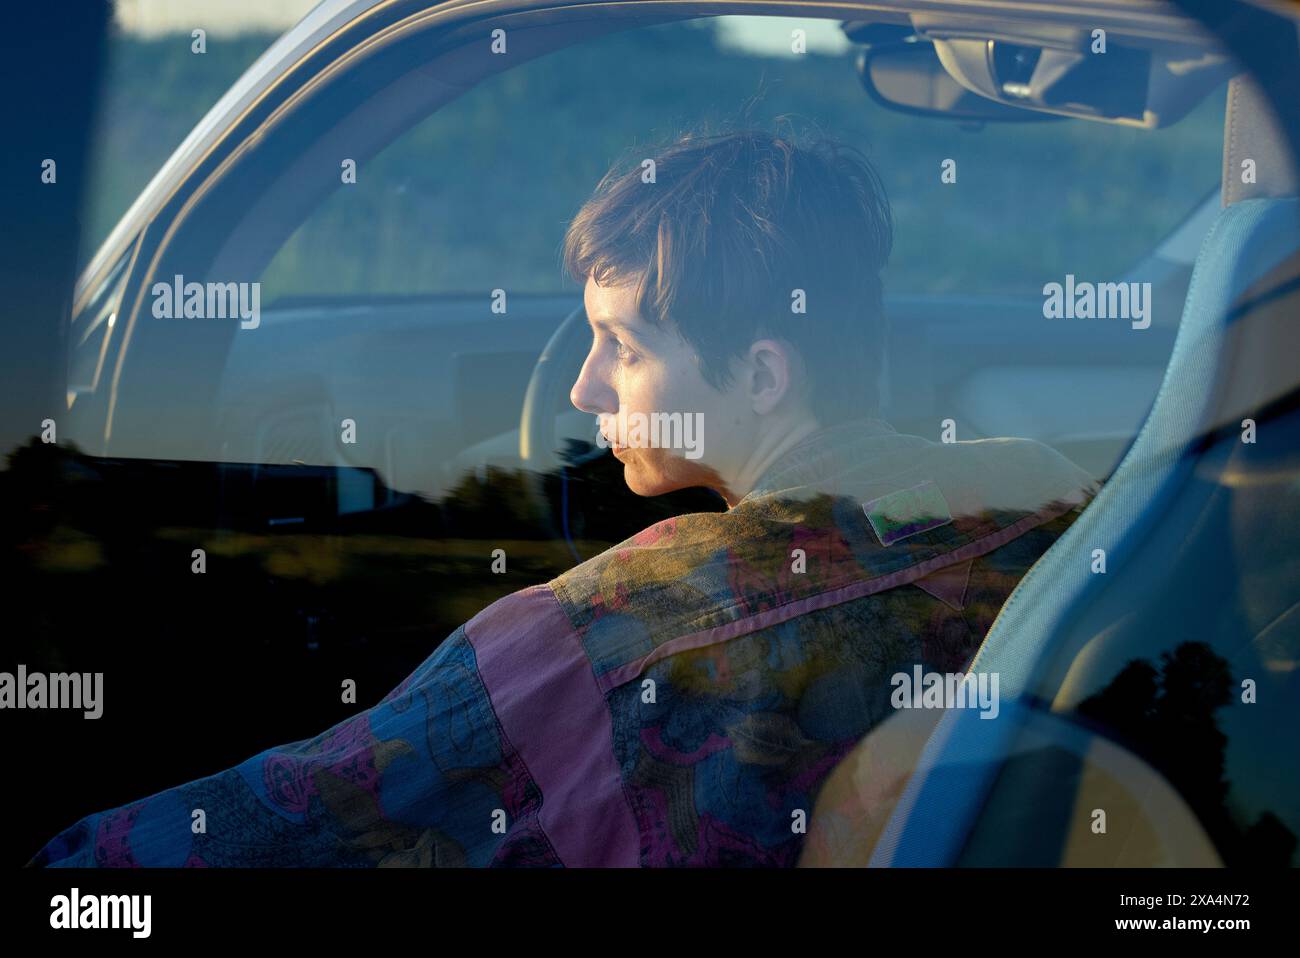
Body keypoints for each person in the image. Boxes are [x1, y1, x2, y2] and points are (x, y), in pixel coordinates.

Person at [28, 125, 1096, 868]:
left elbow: (291, 822)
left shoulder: (602, 635)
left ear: (765, 374)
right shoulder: (1044, 497)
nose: (583, 388)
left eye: (622, 347)